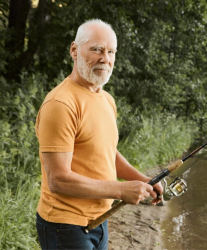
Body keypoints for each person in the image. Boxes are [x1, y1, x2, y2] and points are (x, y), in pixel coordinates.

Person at [35, 19, 163, 250]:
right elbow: (58, 179)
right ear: (74, 50)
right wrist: (121, 189)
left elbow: (105, 151)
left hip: (100, 220)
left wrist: (141, 179)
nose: (105, 58)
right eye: (96, 49)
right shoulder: (60, 104)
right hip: (65, 226)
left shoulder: (106, 99)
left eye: (111, 51)